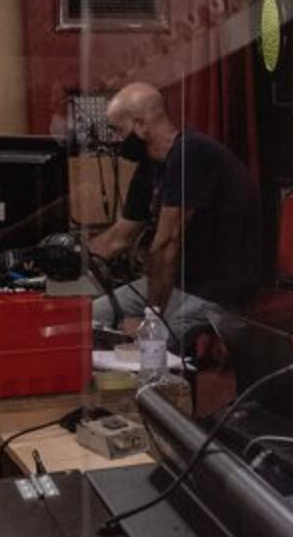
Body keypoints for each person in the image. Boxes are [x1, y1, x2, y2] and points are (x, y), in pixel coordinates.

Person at [87, 82, 261, 346]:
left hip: (216, 291)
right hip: (177, 286)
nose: (113, 140)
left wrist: (152, 320)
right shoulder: (149, 165)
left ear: (141, 125)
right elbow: (119, 238)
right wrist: (69, 259)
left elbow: (168, 242)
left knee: (152, 345)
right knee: (88, 319)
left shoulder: (191, 154)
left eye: (117, 130)